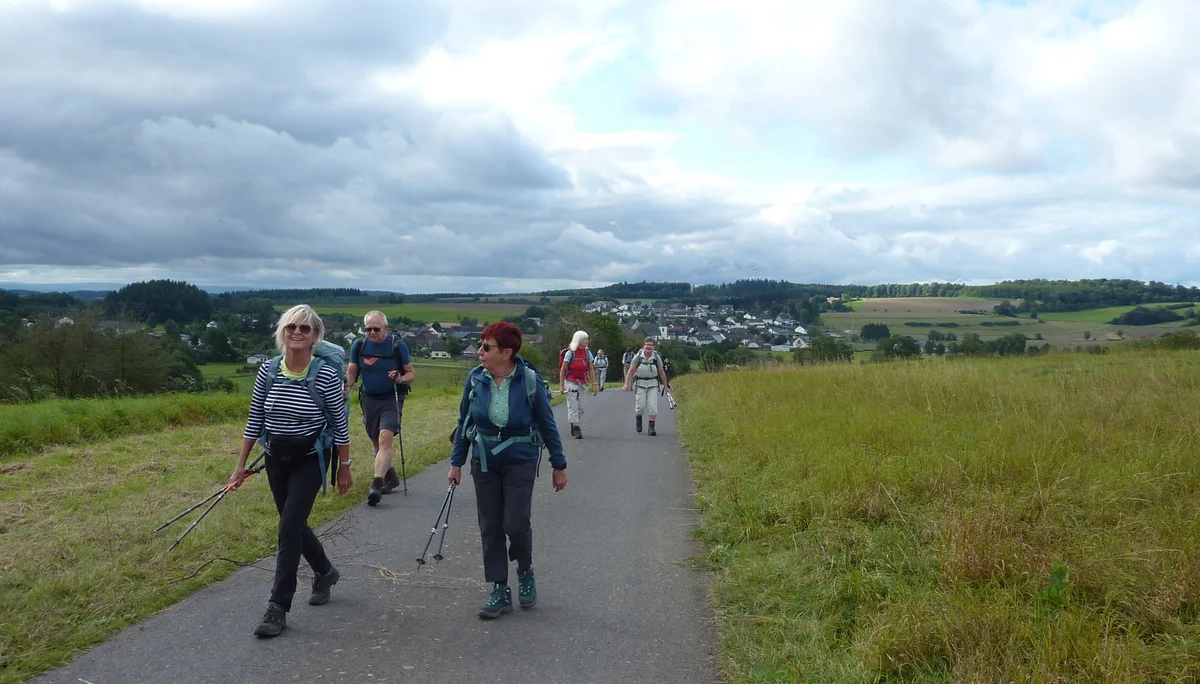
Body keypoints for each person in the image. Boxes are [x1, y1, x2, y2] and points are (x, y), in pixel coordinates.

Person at [228, 304, 352, 638]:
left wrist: (344, 466)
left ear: (315, 337)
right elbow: (255, 419)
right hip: (274, 458)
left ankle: (277, 607)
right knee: (291, 525)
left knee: (287, 529)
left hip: (311, 459)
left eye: (305, 329)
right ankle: (325, 572)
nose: (296, 333)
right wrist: (239, 467)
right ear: (282, 333)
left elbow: (340, 426)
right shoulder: (268, 371)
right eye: (291, 327)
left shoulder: (325, 374)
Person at [449, 321, 567, 620]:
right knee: (490, 526)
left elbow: (548, 425)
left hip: (521, 460)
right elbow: (464, 424)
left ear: (506, 352)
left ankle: (525, 571)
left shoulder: (528, 381)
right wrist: (456, 464)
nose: (480, 352)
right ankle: (499, 589)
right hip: (484, 461)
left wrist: (559, 465)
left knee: (514, 523)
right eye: (481, 345)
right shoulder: (476, 380)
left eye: (486, 347)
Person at [347, 311, 416, 506]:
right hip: (369, 398)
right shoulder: (359, 345)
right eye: (367, 329)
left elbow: (411, 373)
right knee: (375, 441)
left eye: (376, 329)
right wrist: (345, 387)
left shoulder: (397, 345)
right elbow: (352, 371)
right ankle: (391, 477)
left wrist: (400, 378)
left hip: (392, 397)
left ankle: (376, 484)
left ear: (386, 328)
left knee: (385, 438)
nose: (371, 332)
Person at [622, 337, 670, 436]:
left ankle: (651, 427)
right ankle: (638, 417)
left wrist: (666, 387)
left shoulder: (656, 357)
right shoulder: (638, 357)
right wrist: (626, 384)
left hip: (652, 384)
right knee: (640, 406)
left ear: (653, 347)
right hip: (640, 384)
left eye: (651, 345)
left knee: (653, 406)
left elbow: (661, 373)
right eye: (647, 345)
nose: (648, 347)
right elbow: (631, 371)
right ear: (644, 345)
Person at [558, 330, 597, 439]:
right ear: (578, 340)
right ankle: (576, 428)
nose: (587, 341)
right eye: (585, 339)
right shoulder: (570, 353)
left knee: (582, 406)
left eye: (587, 339)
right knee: (573, 405)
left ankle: (573, 422)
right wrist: (561, 386)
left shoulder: (587, 352)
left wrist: (594, 384)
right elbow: (563, 370)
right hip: (571, 381)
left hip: (583, 382)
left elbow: (591, 368)